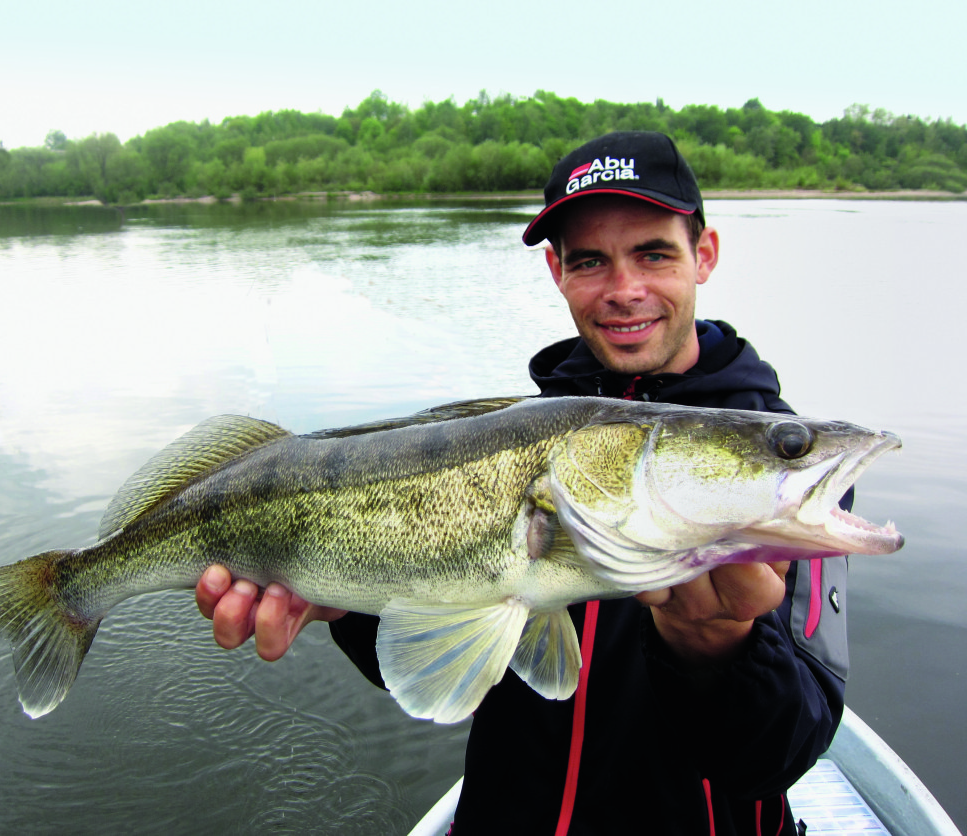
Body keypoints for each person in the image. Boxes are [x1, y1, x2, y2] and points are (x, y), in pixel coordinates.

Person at [195, 132, 847, 836]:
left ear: (705, 255)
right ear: (557, 273)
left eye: (654, 253)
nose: (625, 290)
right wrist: (342, 604)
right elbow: (450, 659)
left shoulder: (780, 479)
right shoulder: (505, 437)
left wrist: (717, 650)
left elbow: (782, 754)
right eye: (591, 260)